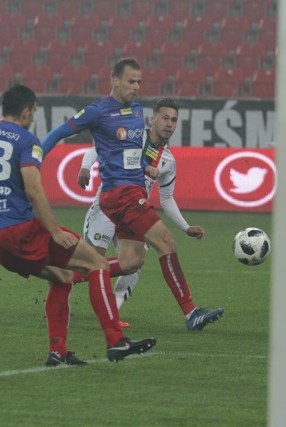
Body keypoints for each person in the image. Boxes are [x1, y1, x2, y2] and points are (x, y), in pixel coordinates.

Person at [0, 84, 156, 365]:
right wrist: (53, 230)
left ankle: (57, 351)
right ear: (26, 111)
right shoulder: (26, 140)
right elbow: (33, 190)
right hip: (23, 230)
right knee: (96, 265)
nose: (33, 117)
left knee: (62, 278)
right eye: (33, 112)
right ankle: (115, 341)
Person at [42, 57, 224, 331]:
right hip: (119, 194)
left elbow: (127, 152)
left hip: (131, 195)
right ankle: (191, 312)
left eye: (139, 81)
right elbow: (66, 134)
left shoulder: (138, 114)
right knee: (166, 243)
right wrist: (45, 162)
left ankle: (67, 274)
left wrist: (144, 168)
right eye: (131, 81)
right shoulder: (98, 111)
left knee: (131, 262)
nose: (136, 86)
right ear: (114, 80)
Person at [76, 98, 206, 328]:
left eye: (173, 120)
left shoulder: (169, 160)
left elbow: (166, 198)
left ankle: (111, 315)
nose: (169, 124)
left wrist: (186, 227)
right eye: (165, 118)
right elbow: (96, 148)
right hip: (108, 207)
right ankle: (65, 283)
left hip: (135, 208)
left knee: (133, 263)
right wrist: (86, 167)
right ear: (153, 119)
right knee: (91, 261)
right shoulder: (133, 135)